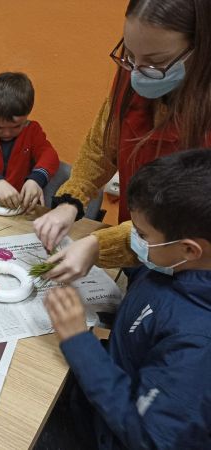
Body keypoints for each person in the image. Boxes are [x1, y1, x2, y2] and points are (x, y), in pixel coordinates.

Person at [43, 149, 211, 449]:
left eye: (141, 234)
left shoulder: (197, 345)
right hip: (100, 385)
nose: (132, 238)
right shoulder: (174, 264)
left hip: (105, 434)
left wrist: (79, 340)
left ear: (189, 249)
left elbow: (149, 437)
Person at [34, 0, 211, 283]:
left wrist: (98, 245)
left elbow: (187, 220)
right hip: (141, 247)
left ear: (200, 48)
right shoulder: (133, 75)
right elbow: (100, 148)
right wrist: (71, 202)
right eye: (129, 55)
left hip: (190, 273)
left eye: (155, 62)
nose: (138, 72)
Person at [0, 72, 60, 212]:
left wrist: (36, 179)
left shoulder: (32, 130)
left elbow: (50, 155)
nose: (7, 133)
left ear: (27, 115)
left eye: (16, 126)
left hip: (14, 205)